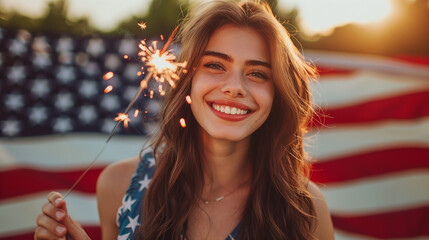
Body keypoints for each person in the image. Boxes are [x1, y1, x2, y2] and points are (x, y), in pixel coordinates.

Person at [35, 0, 335, 239]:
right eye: (215, 65)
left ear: (278, 92)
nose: (234, 87)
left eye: (257, 73)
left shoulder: (305, 208)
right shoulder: (118, 185)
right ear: (187, 79)